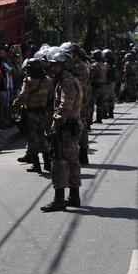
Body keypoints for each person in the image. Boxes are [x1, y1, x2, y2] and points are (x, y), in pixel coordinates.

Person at [42, 50, 82, 212]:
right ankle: (74, 196)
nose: (51, 68)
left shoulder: (66, 82)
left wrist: (55, 123)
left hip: (64, 127)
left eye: (54, 65)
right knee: (72, 162)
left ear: (62, 66)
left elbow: (65, 104)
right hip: (70, 125)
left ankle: (59, 199)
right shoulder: (67, 80)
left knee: (59, 163)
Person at [13, 57, 53, 175]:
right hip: (44, 113)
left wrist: (15, 104)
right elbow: (51, 96)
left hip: (31, 113)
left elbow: (23, 96)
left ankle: (36, 166)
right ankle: (47, 164)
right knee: (44, 137)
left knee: (33, 139)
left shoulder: (28, 80)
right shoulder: (48, 80)